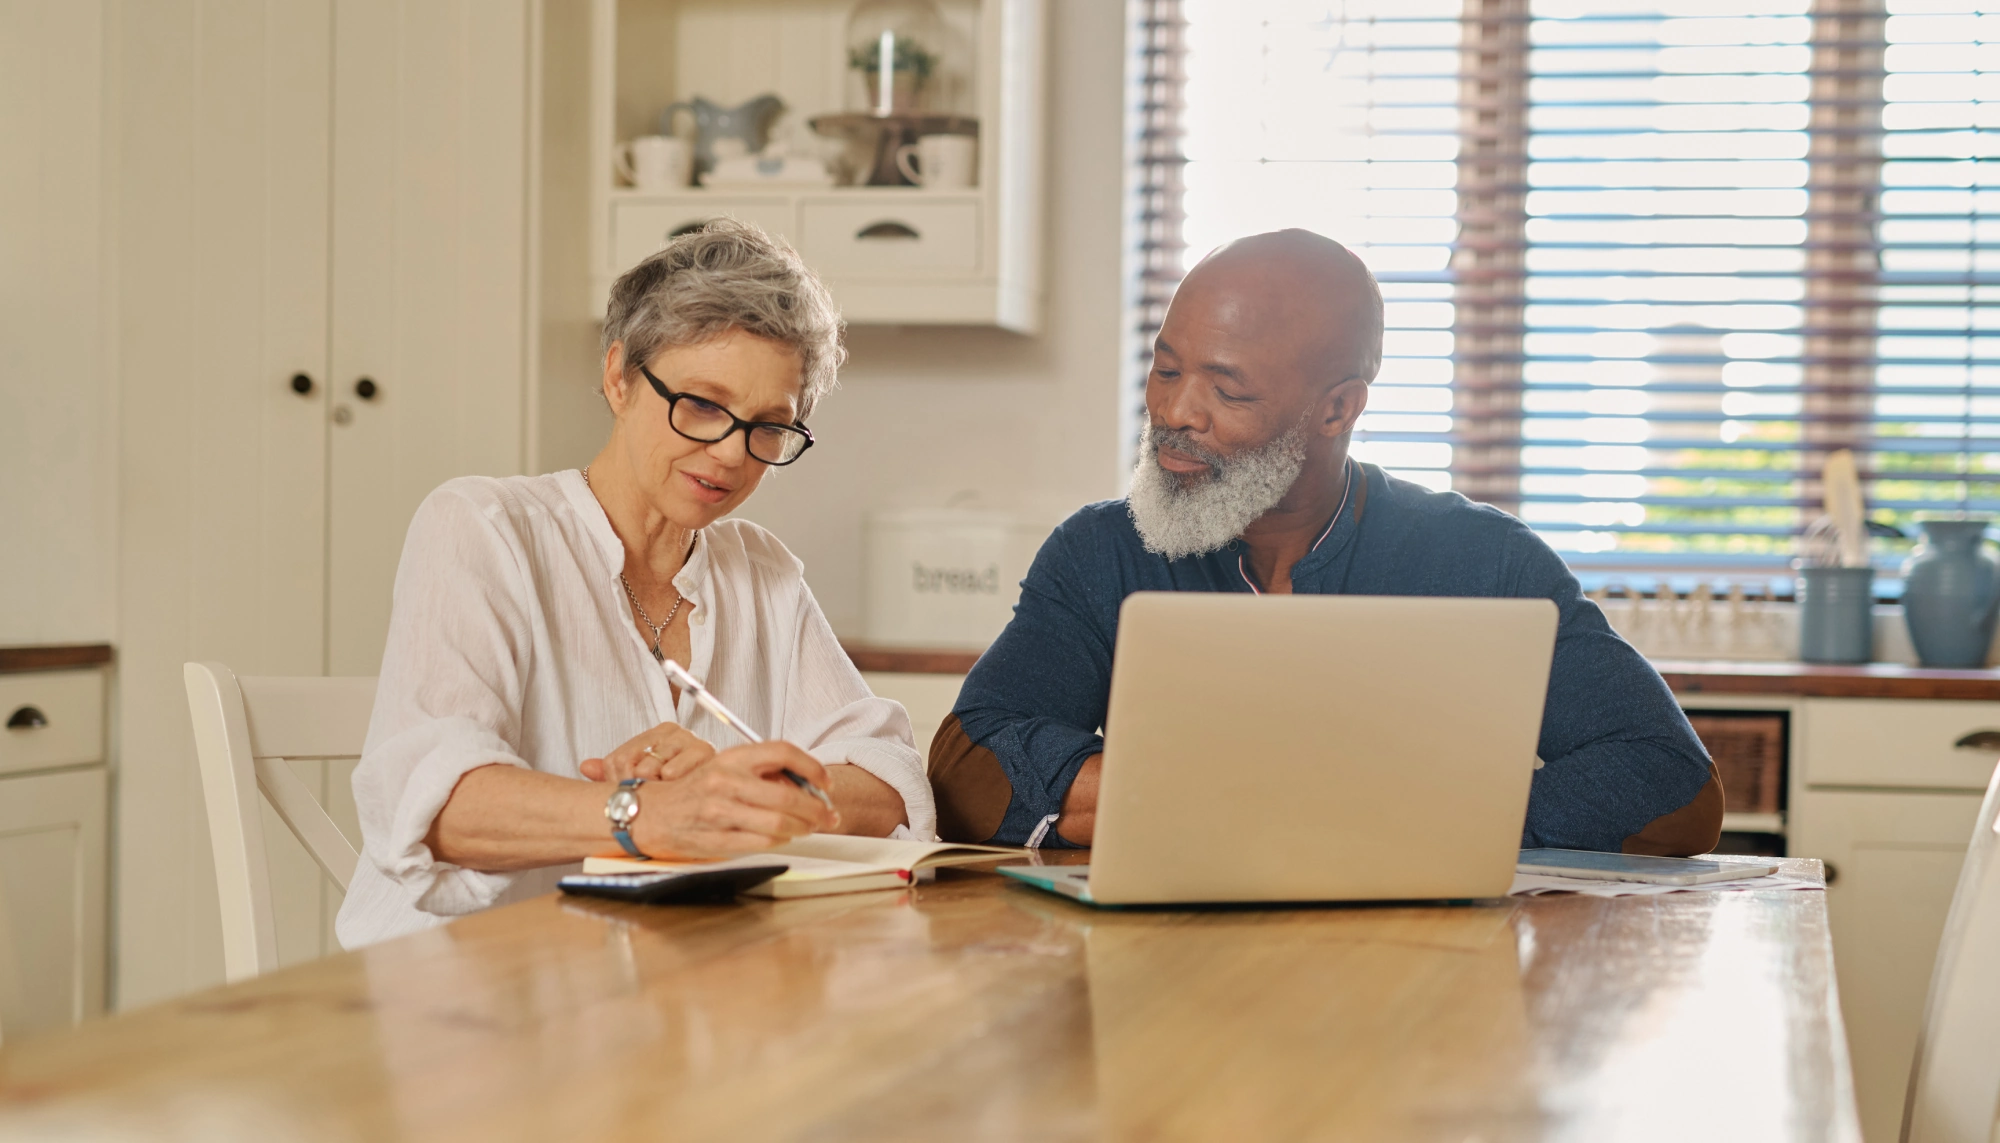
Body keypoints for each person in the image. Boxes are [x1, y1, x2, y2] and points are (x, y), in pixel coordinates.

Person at [929, 229, 1722, 855]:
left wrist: (1395, 825)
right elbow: (968, 762)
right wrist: (1242, 800)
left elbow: (1674, 788)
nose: (1177, 412)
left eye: (1226, 389)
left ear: (1338, 409)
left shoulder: (1483, 561)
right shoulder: (1101, 551)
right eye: (1166, 370)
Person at [337, 220, 934, 947]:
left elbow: (888, 778)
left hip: (656, 991)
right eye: (704, 405)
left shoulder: (761, 570)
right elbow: (441, 806)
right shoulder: (485, 527)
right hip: (459, 994)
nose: (729, 454)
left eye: (769, 426)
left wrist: (738, 789)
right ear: (619, 377)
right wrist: (655, 813)